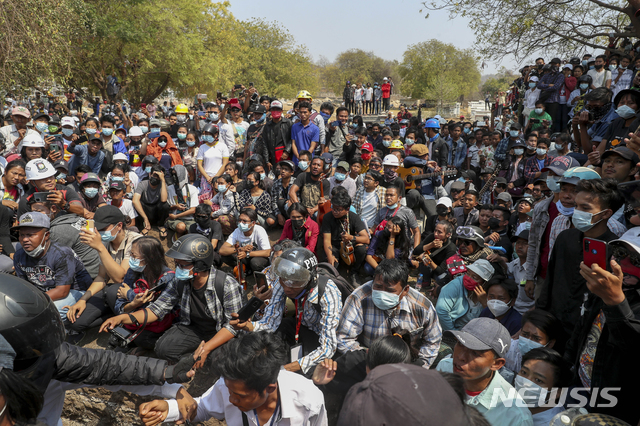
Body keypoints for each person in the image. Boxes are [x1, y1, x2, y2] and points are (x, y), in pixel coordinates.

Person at [101, 234, 245, 365]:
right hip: (194, 328)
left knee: (220, 359)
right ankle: (196, 356)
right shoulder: (179, 281)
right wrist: (122, 318)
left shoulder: (225, 285)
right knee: (163, 348)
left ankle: (205, 353)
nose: (178, 269)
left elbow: (232, 326)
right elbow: (156, 310)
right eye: (177, 265)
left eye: (183, 265)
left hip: (219, 330)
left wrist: (207, 348)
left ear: (200, 265)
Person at [139, 331, 327, 426]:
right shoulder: (228, 384)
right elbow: (202, 407)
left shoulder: (309, 403)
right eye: (230, 392)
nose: (230, 400)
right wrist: (169, 409)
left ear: (269, 389)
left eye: (240, 396)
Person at [566, 226, 640, 423]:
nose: (623, 264)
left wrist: (616, 303)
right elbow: (582, 329)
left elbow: (633, 350)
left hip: (612, 403)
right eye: (621, 253)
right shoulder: (605, 285)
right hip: (579, 384)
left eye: (635, 260)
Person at [232, 248, 343, 375]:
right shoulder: (284, 282)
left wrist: (286, 370)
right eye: (283, 280)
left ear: (309, 280)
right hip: (300, 327)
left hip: (319, 337)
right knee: (277, 329)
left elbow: (328, 347)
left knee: (312, 370)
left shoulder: (328, 292)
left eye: (295, 282)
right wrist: (246, 326)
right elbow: (270, 321)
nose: (287, 287)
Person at [537, 178, 625, 336]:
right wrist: (539, 316)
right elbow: (550, 280)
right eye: (576, 206)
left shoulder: (615, 250)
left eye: (585, 208)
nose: (577, 211)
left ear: (606, 213)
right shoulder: (565, 238)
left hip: (584, 332)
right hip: (552, 324)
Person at [337, 257, 442, 367]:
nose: (382, 294)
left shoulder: (422, 307)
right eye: (378, 286)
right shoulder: (359, 298)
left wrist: (418, 367)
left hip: (408, 363)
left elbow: (432, 341)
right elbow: (344, 339)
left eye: (390, 290)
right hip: (369, 361)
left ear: (405, 290)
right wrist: (369, 359)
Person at [436, 318, 534, 426]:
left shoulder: (515, 417)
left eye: (475, 353)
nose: (461, 356)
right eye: (460, 344)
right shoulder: (445, 366)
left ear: (496, 364)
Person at [12, 212, 92, 321]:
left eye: (30, 235)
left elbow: (62, 291)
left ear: (46, 235)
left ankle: (67, 331)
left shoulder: (61, 253)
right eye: (21, 235)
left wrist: (34, 302)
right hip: (44, 293)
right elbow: (25, 285)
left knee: (48, 313)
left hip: (75, 292)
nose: (25, 239)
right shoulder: (19, 255)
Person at [524, 156, 580, 300]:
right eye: (550, 174)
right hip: (543, 275)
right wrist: (529, 277)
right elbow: (533, 243)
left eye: (558, 175)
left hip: (569, 280)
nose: (553, 178)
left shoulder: (581, 212)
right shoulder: (541, 207)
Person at [109, 236, 177, 353]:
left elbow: (156, 309)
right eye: (130, 254)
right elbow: (119, 303)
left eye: (134, 256)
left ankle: (141, 348)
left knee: (142, 339)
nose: (131, 258)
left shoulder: (167, 278)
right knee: (115, 337)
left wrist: (130, 295)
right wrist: (133, 304)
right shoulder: (133, 271)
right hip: (134, 315)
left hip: (155, 321)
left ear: (149, 258)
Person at [28, 196, 101, 280]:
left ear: (53, 209)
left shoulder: (58, 230)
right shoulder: (75, 219)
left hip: (87, 279)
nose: (35, 216)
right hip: (96, 273)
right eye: (33, 213)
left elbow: (49, 261)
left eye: (38, 211)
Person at [321, 190, 370, 286]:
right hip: (334, 246)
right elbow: (326, 240)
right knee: (332, 263)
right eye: (333, 208)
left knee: (361, 248)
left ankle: (354, 273)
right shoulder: (327, 217)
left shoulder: (353, 217)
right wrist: (330, 256)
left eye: (338, 209)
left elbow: (366, 239)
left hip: (349, 246)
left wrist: (352, 237)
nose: (334, 211)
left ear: (347, 209)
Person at [503, 309, 562, 382]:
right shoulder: (506, 348)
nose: (528, 340)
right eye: (525, 335)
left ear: (550, 344)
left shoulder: (551, 368)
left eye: (536, 338)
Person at [436, 259, 494, 331]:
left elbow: (492, 321)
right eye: (468, 273)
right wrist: (453, 333)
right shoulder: (455, 285)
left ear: (484, 283)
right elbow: (441, 310)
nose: (468, 278)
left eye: (474, 277)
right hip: (452, 330)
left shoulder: (490, 294)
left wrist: (485, 304)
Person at [18, 158, 84, 217]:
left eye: (51, 176)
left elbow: (80, 212)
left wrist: (64, 204)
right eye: (43, 178)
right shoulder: (26, 200)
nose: (49, 180)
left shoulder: (66, 191)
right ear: (32, 182)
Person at [219, 208, 272, 274]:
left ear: (253, 223)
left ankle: (260, 275)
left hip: (259, 258)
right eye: (240, 220)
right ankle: (246, 270)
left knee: (255, 262)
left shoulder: (260, 230)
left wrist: (247, 254)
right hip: (245, 257)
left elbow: (267, 252)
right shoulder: (237, 231)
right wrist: (240, 249)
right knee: (225, 255)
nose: (241, 223)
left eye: (244, 221)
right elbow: (222, 250)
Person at [132, 164, 169, 237]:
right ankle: (144, 227)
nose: (156, 178)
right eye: (154, 175)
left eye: (158, 176)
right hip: (145, 210)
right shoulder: (143, 184)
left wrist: (163, 180)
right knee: (137, 204)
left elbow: (164, 200)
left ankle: (160, 225)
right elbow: (135, 200)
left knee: (165, 205)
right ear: (150, 174)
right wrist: (145, 218)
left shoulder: (163, 185)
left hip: (156, 210)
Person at [197, 124, 229, 201]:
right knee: (206, 199)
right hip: (206, 178)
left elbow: (225, 164)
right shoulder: (202, 147)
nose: (206, 136)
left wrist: (216, 177)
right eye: (205, 134)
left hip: (219, 178)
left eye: (208, 134)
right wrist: (207, 177)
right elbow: (199, 164)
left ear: (215, 134)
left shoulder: (223, 146)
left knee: (220, 199)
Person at [188, 204, 223, 268]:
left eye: (204, 217)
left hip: (214, 255)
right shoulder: (193, 227)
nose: (200, 219)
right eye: (198, 216)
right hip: (197, 254)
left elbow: (213, 246)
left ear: (209, 216)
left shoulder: (216, 225)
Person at [269, 160, 295, 226]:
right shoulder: (276, 183)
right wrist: (279, 214)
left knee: (288, 205)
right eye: (282, 168)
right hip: (281, 210)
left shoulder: (296, 182)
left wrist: (292, 201)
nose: (283, 171)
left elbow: (299, 199)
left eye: (286, 169)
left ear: (292, 172)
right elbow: (274, 201)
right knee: (271, 220)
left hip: (293, 208)